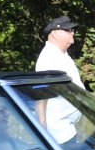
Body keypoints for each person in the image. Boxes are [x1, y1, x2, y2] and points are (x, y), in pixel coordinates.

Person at [35, 14, 84, 143]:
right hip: (58, 133)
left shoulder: (61, 54)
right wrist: (43, 129)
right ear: (55, 33)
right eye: (67, 30)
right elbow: (41, 94)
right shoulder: (49, 58)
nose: (72, 33)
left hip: (67, 128)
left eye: (72, 30)